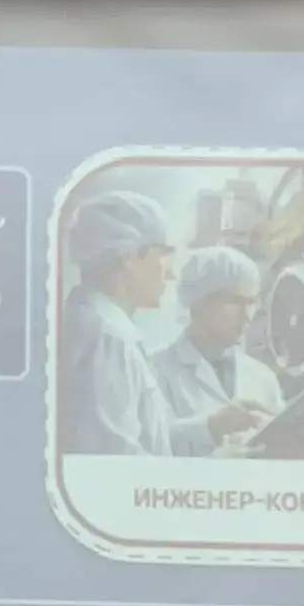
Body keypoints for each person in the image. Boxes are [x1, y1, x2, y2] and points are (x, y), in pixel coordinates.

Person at [57, 191, 180, 456]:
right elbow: (117, 461)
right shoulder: (109, 337)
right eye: (164, 255)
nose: (171, 273)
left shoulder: (93, 321)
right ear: (130, 257)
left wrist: (210, 430)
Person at [153, 245, 284, 455]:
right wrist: (213, 426)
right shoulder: (155, 371)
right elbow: (150, 444)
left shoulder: (263, 377)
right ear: (198, 302)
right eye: (234, 301)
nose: (246, 315)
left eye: (251, 302)